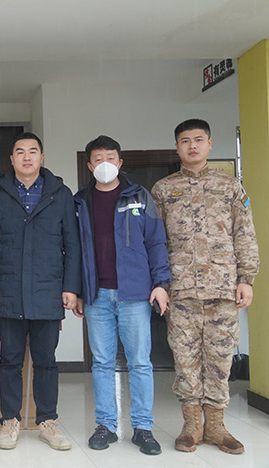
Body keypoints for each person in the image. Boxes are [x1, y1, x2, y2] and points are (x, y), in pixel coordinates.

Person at [152, 119, 259, 455]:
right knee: (185, 359)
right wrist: (159, 283)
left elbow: (244, 234)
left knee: (220, 358)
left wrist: (247, 279)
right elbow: (154, 241)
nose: (192, 146)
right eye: (185, 141)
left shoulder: (230, 186)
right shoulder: (163, 190)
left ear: (209, 144)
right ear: (177, 147)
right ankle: (191, 426)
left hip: (222, 289)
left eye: (199, 140)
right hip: (180, 290)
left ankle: (216, 426)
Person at [73, 135, 171, 455]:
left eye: (110, 158)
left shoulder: (139, 196)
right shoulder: (80, 201)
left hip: (135, 294)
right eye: (98, 159)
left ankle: (142, 428)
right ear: (90, 166)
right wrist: (76, 290)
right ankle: (106, 425)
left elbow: (156, 241)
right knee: (102, 363)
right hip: (96, 294)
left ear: (120, 162)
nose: (105, 164)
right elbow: (72, 250)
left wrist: (161, 283)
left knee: (139, 362)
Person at [0, 132, 81, 451]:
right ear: (11, 159)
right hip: (8, 291)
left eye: (33, 151)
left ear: (42, 157)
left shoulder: (60, 195)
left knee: (46, 361)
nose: (27, 157)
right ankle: (10, 420)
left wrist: (70, 287)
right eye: (20, 152)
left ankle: (47, 421)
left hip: (47, 291)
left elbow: (72, 245)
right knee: (10, 360)